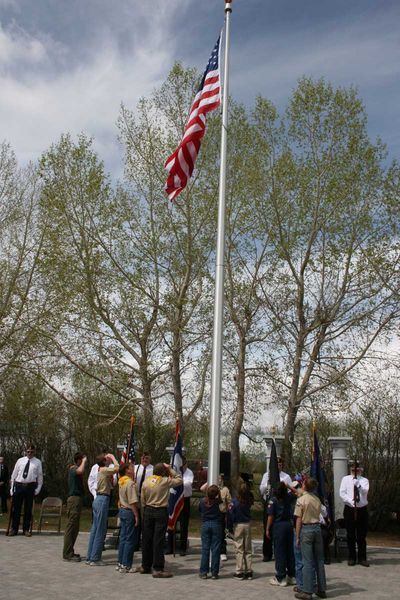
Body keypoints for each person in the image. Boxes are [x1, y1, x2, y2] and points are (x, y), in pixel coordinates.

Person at [139, 462, 182, 578]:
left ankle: (145, 565)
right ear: (163, 472)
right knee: (158, 540)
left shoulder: (146, 481)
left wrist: (145, 510)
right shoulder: (164, 481)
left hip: (148, 510)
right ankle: (157, 568)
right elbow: (179, 479)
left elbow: (142, 499)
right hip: (160, 511)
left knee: (146, 539)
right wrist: (170, 469)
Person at [294, 478, 327, 600]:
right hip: (317, 529)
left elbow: (298, 519)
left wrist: (297, 536)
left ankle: (307, 591)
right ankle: (322, 589)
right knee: (319, 560)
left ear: (305, 486)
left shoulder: (301, 500)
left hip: (307, 529)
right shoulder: (317, 499)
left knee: (307, 561)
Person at [86, 453, 119, 565]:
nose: (109, 460)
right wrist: (114, 458)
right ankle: (95, 558)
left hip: (98, 499)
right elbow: (118, 468)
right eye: (107, 459)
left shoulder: (101, 470)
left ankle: (90, 556)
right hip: (103, 499)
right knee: (100, 529)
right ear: (104, 461)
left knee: (95, 529)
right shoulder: (104, 469)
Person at [259, 456, 292, 561]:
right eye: (277, 464)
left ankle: (280, 552)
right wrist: (267, 484)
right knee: (267, 528)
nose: (278, 466)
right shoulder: (266, 475)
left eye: (280, 464)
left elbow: (291, 491)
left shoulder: (286, 477)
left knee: (278, 529)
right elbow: (261, 490)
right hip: (269, 503)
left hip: (280, 505)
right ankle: (267, 553)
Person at [339, 462, 369, 567]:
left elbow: (365, 491)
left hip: (361, 509)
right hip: (350, 509)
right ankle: (351, 557)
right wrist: (350, 501)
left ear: (360, 469)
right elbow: (342, 493)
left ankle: (362, 558)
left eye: (357, 469)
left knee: (361, 535)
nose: (355, 471)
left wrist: (358, 485)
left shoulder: (364, 480)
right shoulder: (345, 479)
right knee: (350, 534)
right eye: (353, 469)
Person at [9, 444, 43, 537]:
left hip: (30, 487)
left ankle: (26, 529)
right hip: (19, 486)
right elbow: (14, 475)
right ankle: (14, 529)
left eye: (31, 452)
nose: (30, 453)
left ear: (34, 452)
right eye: (28, 451)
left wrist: (38, 489)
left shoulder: (38, 462)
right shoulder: (20, 460)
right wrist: (12, 488)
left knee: (28, 509)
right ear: (25, 451)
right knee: (16, 509)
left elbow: (40, 477)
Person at [267, 482, 296, 587]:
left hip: (279, 526)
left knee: (280, 552)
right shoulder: (288, 497)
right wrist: (288, 486)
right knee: (290, 551)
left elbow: (270, 516)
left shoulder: (273, 500)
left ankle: (281, 577)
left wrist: (267, 529)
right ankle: (292, 575)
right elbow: (298, 493)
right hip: (288, 525)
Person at [63, 452, 87, 561]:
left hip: (77, 499)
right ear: (78, 460)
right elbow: (80, 470)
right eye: (82, 460)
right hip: (74, 499)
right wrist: (84, 461)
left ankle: (70, 550)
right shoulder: (73, 469)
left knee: (75, 528)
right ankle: (67, 553)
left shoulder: (76, 469)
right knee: (71, 526)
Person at [167, 456, 194, 556]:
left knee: (183, 525)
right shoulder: (173, 472)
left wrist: (177, 482)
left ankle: (183, 548)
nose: (182, 466)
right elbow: (169, 483)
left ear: (185, 464)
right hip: (174, 499)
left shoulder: (189, 472)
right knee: (171, 523)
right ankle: (170, 547)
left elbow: (187, 483)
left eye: (183, 464)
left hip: (184, 500)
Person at [116, 463, 139, 573]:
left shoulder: (121, 481)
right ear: (126, 470)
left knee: (123, 538)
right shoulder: (129, 483)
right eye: (131, 468)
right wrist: (136, 515)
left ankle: (120, 562)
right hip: (129, 511)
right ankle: (126, 565)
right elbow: (133, 501)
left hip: (122, 510)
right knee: (130, 539)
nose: (133, 469)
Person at [199, 484, 224, 580]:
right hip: (216, 525)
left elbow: (200, 510)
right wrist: (220, 495)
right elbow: (223, 510)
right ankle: (214, 572)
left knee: (205, 549)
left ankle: (203, 572)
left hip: (205, 525)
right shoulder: (218, 502)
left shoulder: (202, 502)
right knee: (216, 549)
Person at [230, 482, 254, 580]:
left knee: (239, 548)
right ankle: (249, 571)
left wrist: (229, 526)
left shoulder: (235, 502)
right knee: (248, 549)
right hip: (247, 524)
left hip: (238, 525)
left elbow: (231, 514)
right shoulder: (249, 501)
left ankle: (239, 571)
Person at [134, 452, 153, 550]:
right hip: (135, 497)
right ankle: (135, 543)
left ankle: (144, 544)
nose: (144, 460)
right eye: (143, 458)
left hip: (147, 498)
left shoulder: (153, 469)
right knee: (135, 521)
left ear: (150, 459)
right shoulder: (135, 468)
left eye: (147, 458)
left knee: (145, 521)